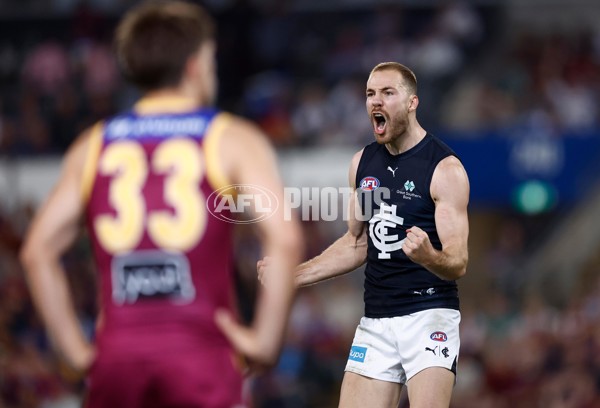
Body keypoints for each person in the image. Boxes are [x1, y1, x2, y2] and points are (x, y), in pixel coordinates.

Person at [19, 2, 303, 407]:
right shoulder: (229, 137)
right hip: (202, 351)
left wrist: (76, 353)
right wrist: (265, 341)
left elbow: (36, 251)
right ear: (195, 64)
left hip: (118, 355)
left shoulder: (93, 144)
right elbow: (285, 238)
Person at [260, 62, 470, 407]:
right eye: (371, 94)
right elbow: (357, 244)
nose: (376, 101)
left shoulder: (444, 169)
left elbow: (458, 262)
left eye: (388, 93)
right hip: (376, 319)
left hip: (429, 314)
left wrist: (429, 256)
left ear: (412, 102)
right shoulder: (364, 165)